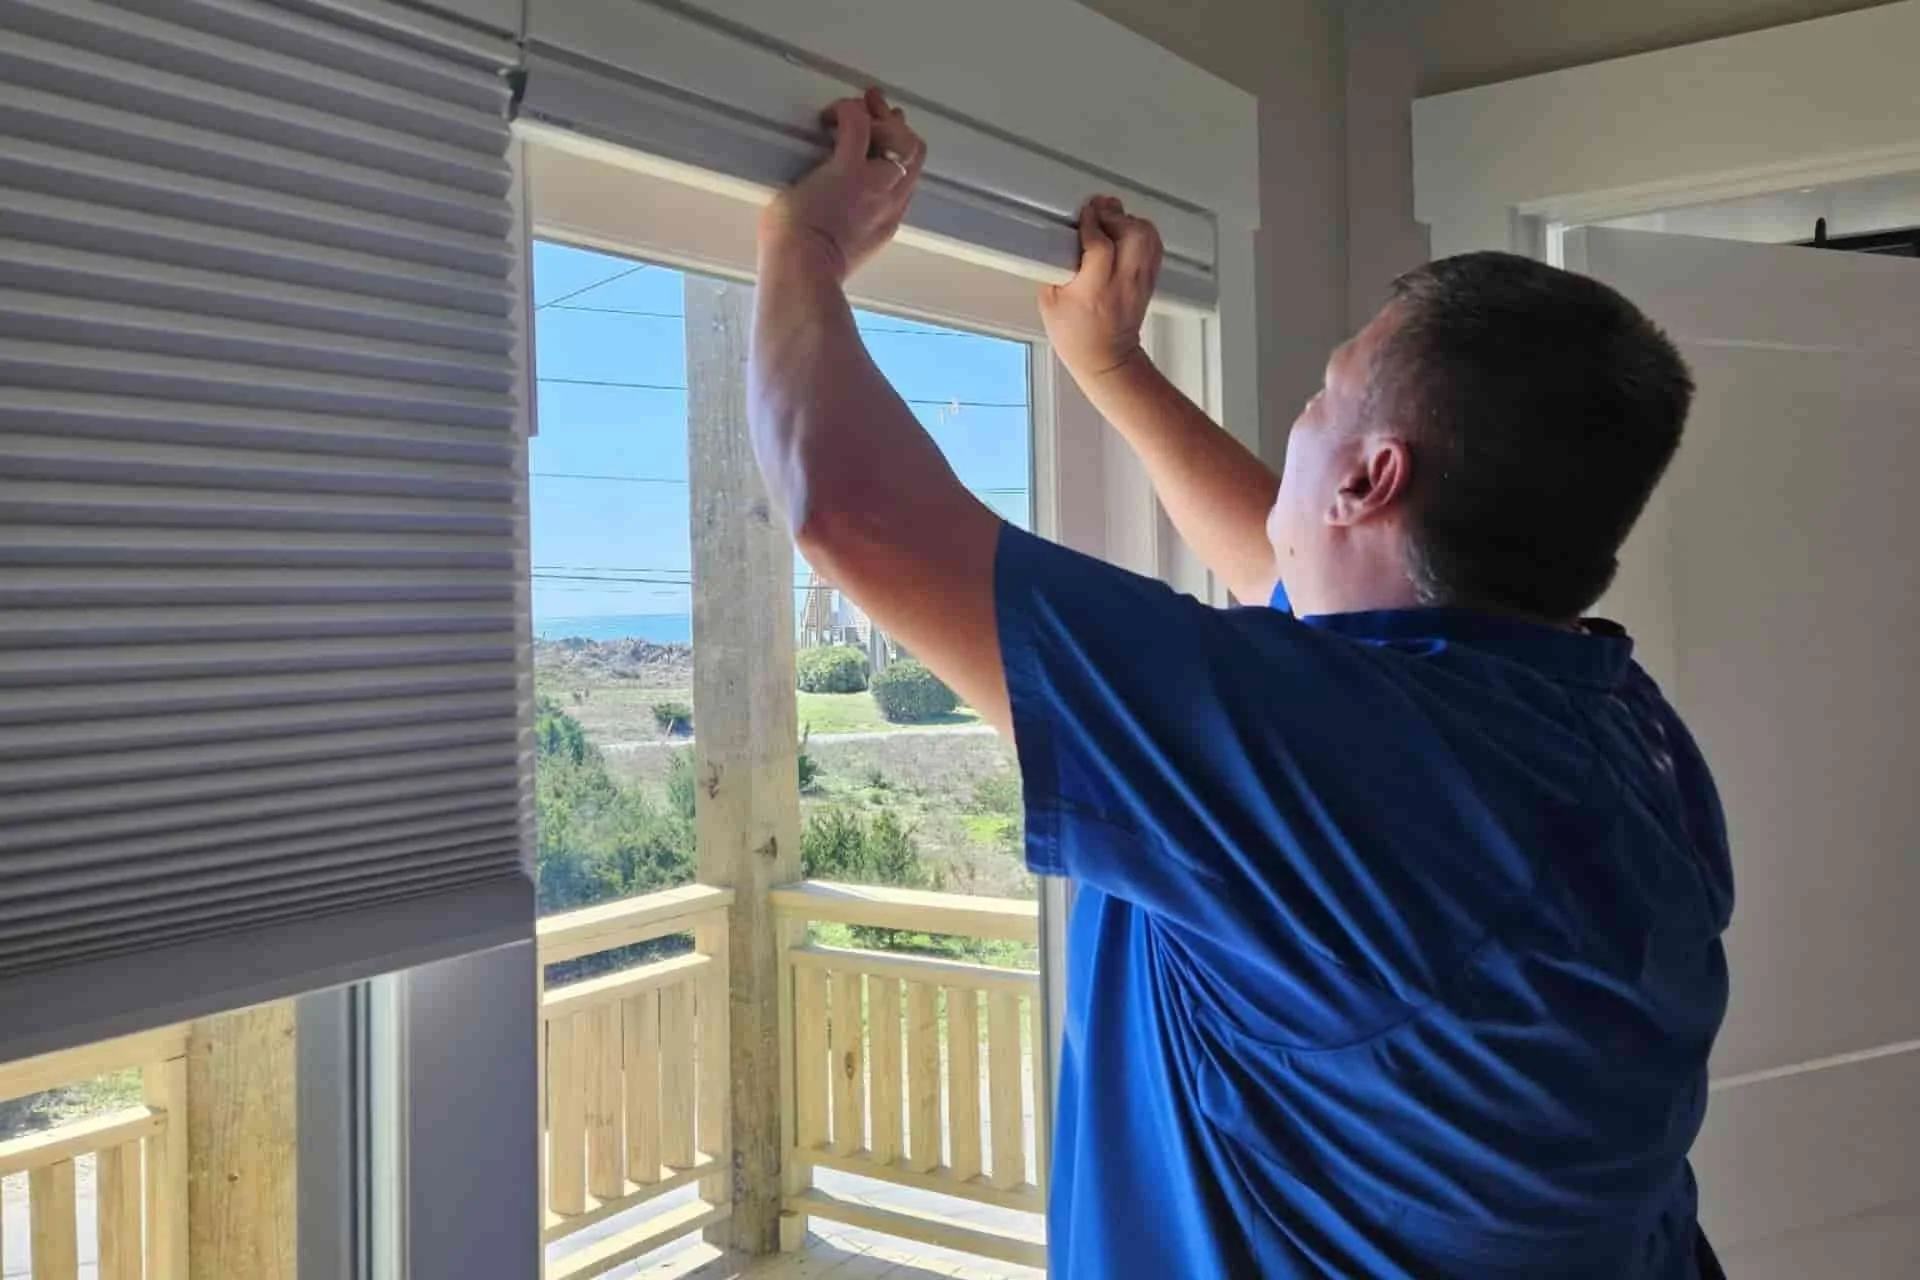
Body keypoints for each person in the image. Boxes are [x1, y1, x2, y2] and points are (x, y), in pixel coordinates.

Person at [750, 89, 1733, 1279]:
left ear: (1370, 478)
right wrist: (1114, 368)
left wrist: (803, 244)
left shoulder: (1353, 768)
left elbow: (855, 511)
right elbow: (1298, 573)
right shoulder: (1607, 723)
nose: (1301, 416)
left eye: (1322, 396)